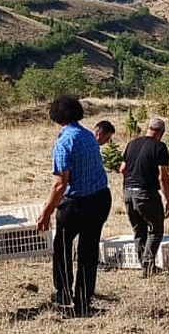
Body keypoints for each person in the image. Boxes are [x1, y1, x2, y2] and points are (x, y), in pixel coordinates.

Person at [37, 95, 112, 316]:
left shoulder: (63, 143)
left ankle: (63, 293)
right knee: (88, 251)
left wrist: (46, 212)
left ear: (56, 117)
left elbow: (60, 184)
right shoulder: (89, 136)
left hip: (76, 204)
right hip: (99, 199)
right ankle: (83, 301)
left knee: (62, 248)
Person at [119, 118, 169, 278]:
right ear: (161, 133)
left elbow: (122, 169)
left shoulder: (132, 143)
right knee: (156, 229)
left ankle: (144, 263)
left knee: (139, 230)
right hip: (146, 193)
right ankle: (148, 265)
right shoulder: (159, 147)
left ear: (148, 128)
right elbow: (162, 176)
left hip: (128, 192)